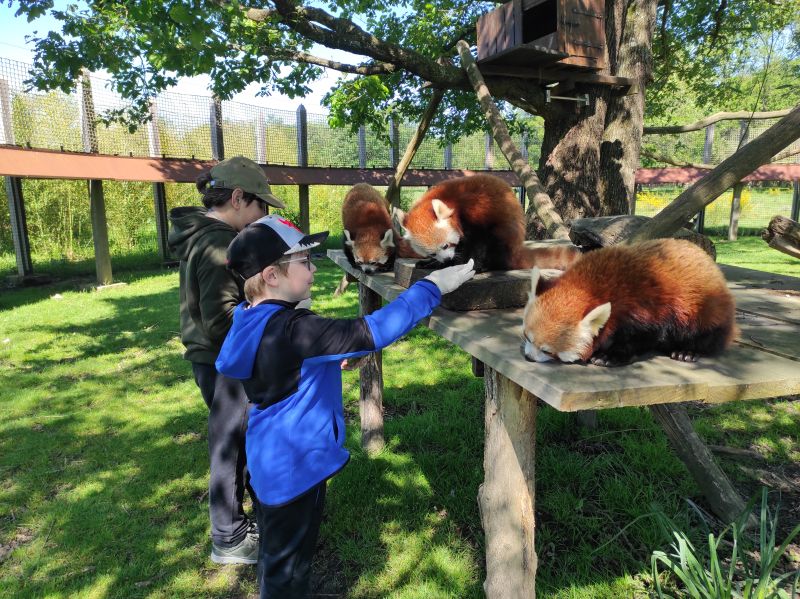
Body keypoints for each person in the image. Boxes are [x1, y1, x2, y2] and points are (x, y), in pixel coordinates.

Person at [215, 214, 475, 598]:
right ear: (272, 276)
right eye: (303, 262)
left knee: (282, 552)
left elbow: (281, 366)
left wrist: (321, 362)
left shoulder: (251, 318)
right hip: (295, 469)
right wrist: (432, 287)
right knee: (286, 563)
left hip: (273, 460)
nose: (312, 267)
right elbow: (371, 332)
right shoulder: (296, 329)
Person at [168, 156, 286, 565]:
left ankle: (250, 523)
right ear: (238, 198)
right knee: (231, 447)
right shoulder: (219, 241)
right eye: (260, 206)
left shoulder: (203, 234)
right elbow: (223, 321)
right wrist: (277, 314)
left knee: (235, 442)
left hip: (214, 358)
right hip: (224, 361)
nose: (262, 216)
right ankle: (230, 539)